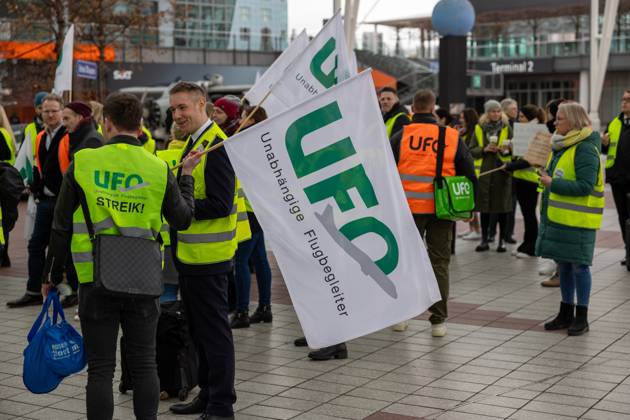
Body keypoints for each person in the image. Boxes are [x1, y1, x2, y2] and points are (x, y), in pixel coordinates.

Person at [40, 92, 201, 420]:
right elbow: (183, 219)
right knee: (144, 364)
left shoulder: (84, 162)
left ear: (107, 123)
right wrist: (186, 176)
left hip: (95, 279)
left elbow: (60, 227)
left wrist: (50, 277)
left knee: (101, 369)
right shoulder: (157, 167)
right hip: (143, 279)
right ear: (140, 125)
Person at [167, 82, 239, 420]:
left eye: (182, 108)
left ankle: (222, 404)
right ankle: (208, 394)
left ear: (201, 104)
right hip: (191, 258)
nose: (177, 115)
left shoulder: (218, 146)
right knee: (198, 333)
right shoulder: (194, 143)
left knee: (214, 334)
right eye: (173, 110)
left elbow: (222, 204)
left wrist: (180, 206)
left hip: (210, 260)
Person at [390, 90, 476, 337]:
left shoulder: (401, 135)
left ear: (413, 108)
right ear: (433, 108)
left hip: (408, 210)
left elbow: (385, 170)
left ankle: (402, 316)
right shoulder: (450, 135)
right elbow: (468, 173)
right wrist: (468, 207)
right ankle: (438, 321)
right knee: (439, 262)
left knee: (406, 261)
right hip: (442, 208)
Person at [538, 102, 603, 336]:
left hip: (579, 222)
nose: (555, 123)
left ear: (574, 121)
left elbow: (585, 185)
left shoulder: (584, 148)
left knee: (579, 268)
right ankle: (565, 313)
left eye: (560, 119)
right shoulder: (562, 145)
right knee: (564, 266)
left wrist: (552, 183)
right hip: (561, 219)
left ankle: (581, 317)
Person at [7, 94, 68, 308]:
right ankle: (33, 290)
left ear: (62, 111)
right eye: (46, 111)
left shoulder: (69, 135)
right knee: (35, 246)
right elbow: (40, 166)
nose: (50, 114)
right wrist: (37, 186)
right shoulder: (41, 136)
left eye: (54, 110)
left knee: (63, 249)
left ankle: (67, 292)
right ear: (40, 112)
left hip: (64, 203)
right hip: (45, 201)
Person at [230, 105, 273, 329]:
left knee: (241, 261)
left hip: (248, 208)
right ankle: (265, 307)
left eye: (244, 116)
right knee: (259, 259)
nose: (240, 120)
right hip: (260, 207)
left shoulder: (248, 142)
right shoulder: (265, 140)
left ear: (254, 119)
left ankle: (242, 311)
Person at [504, 104, 548, 258]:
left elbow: (530, 160)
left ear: (530, 118)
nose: (519, 118)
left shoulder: (536, 132)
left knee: (529, 215)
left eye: (522, 116)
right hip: (520, 179)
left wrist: (510, 166)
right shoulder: (525, 131)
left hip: (530, 180)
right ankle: (526, 244)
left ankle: (531, 248)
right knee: (526, 214)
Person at [470, 100, 513, 253]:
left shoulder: (507, 128)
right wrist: (484, 149)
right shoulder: (478, 128)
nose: (496, 114)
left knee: (502, 207)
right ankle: (484, 240)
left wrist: (506, 150)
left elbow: (515, 150)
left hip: (502, 173)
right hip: (485, 174)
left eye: (498, 111)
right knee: (484, 207)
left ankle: (501, 241)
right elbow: (471, 150)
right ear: (486, 113)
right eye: (492, 111)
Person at [601, 89, 630, 266]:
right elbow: (607, 149)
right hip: (618, 179)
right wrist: (603, 144)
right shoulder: (614, 123)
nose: (624, 102)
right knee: (622, 216)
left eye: (628, 99)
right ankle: (628, 251)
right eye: (623, 99)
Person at [457, 108, 481, 241]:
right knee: (468, 201)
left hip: (473, 171)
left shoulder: (472, 132)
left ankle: (476, 230)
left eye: (462, 117)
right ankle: (472, 228)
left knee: (471, 202)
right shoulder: (464, 132)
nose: (460, 119)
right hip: (466, 171)